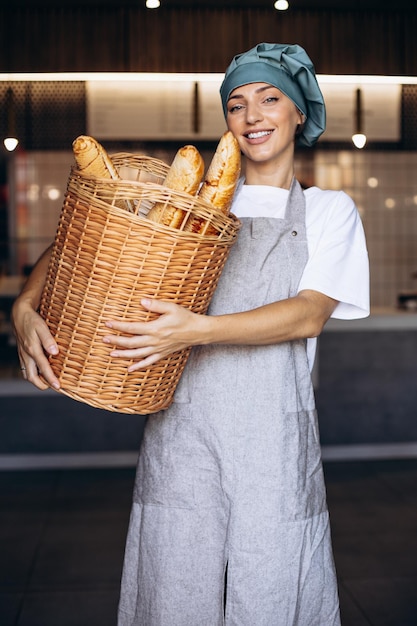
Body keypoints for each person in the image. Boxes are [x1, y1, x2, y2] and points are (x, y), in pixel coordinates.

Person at [12, 42, 369, 625]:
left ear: (300, 111)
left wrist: (196, 331)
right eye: (236, 104)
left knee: (274, 583)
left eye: (269, 98)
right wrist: (25, 307)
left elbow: (308, 313)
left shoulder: (329, 211)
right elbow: (84, 241)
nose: (252, 116)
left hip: (272, 440)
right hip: (182, 428)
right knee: (172, 589)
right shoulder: (190, 204)